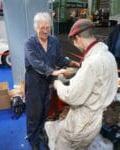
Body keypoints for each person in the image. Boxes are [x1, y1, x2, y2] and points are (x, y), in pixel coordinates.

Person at [45, 18, 118, 150]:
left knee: (64, 145)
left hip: (80, 124)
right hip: (95, 121)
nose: (75, 45)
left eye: (74, 42)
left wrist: (57, 84)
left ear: (77, 37)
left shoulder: (91, 63)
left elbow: (71, 96)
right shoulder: (109, 57)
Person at [24, 12, 80, 150]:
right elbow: (36, 63)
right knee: (34, 113)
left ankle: (42, 132)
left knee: (45, 110)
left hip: (49, 82)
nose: (45, 31)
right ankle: (33, 139)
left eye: (47, 27)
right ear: (35, 27)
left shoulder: (54, 40)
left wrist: (71, 62)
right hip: (34, 82)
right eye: (42, 28)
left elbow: (59, 58)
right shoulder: (29, 43)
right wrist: (55, 72)